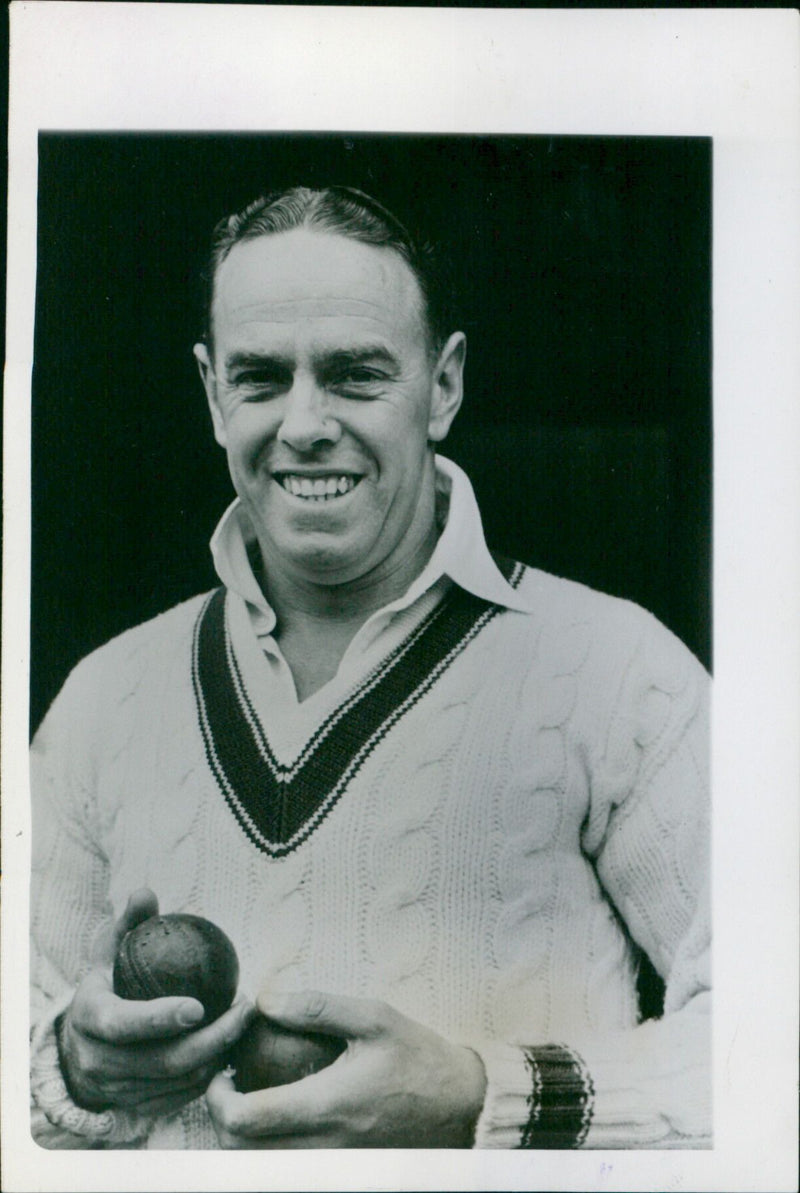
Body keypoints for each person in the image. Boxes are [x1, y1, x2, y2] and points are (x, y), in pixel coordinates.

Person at [30, 185, 710, 1149]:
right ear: (212, 391)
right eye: (261, 377)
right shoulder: (105, 696)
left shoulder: (616, 669)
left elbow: (772, 1038)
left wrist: (484, 1094)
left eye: (355, 375)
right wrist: (69, 1062)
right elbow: (15, 1055)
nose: (305, 423)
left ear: (445, 385)